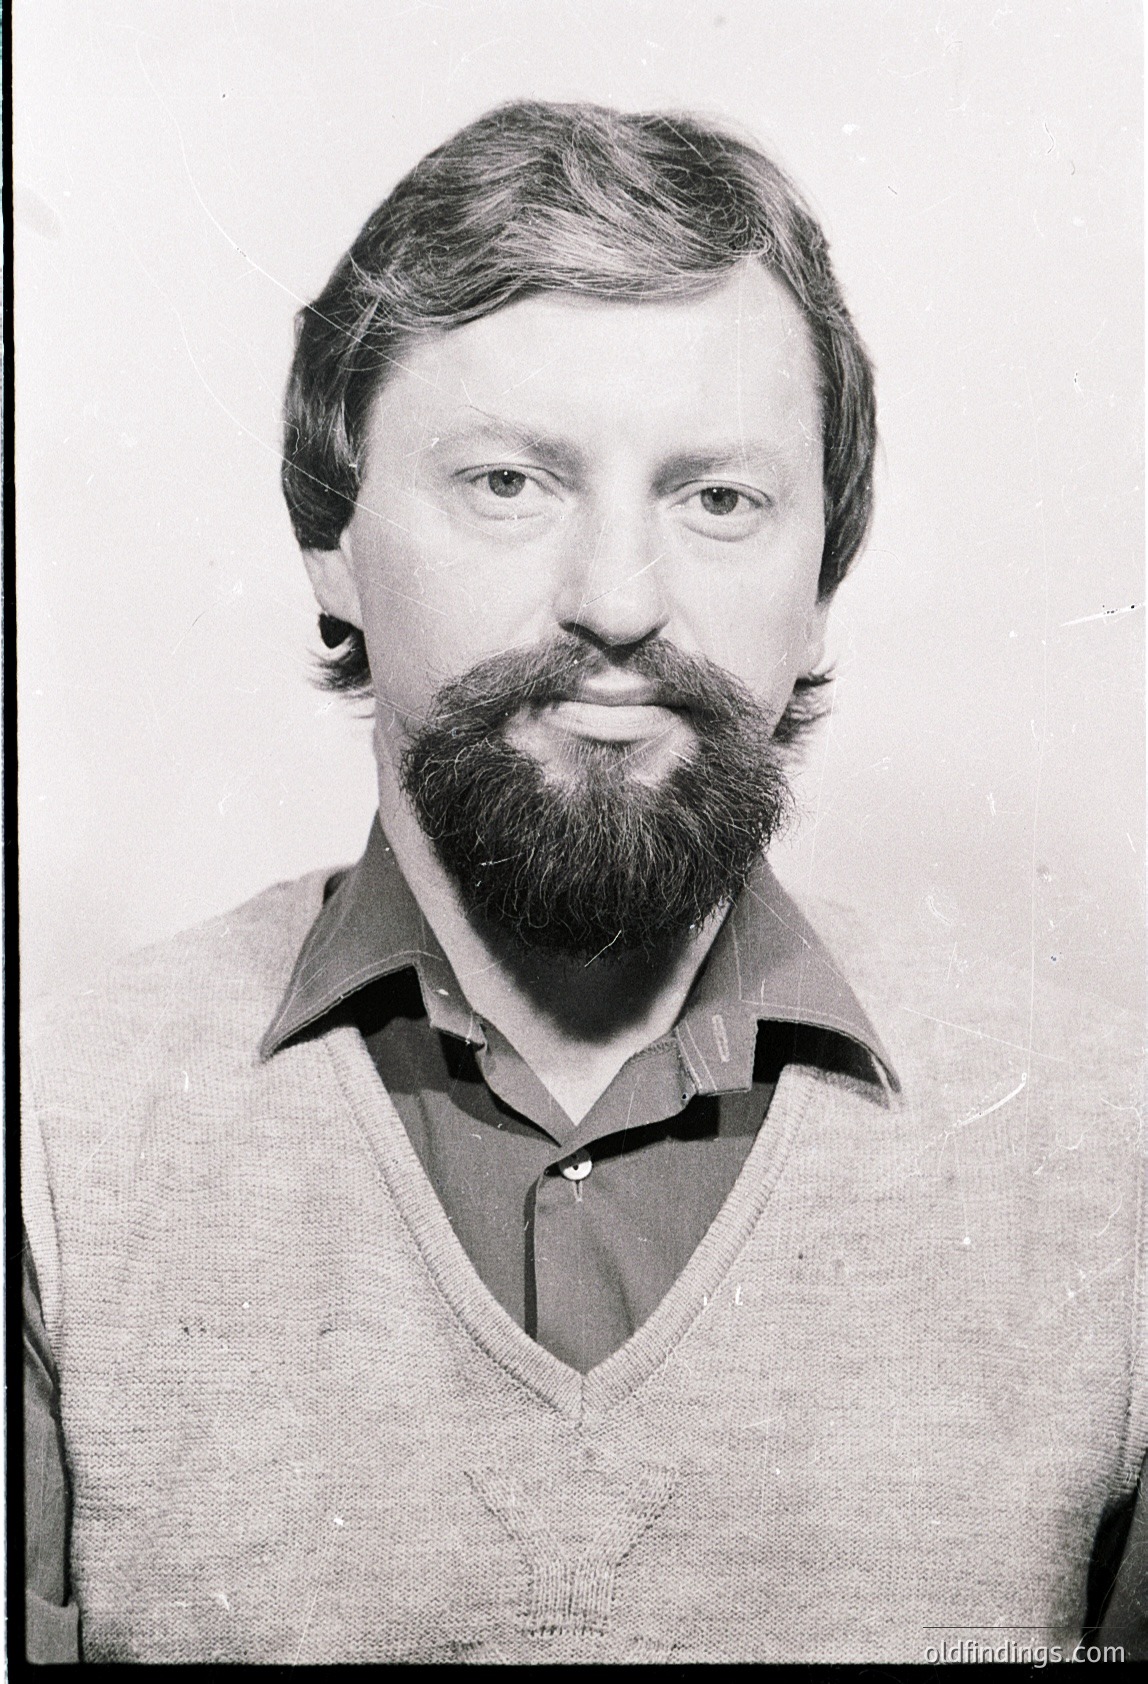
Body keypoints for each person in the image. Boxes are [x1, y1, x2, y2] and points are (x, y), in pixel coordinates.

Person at [22, 99, 1145, 1665]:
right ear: (328, 539)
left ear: (822, 581)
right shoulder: (51, 1150)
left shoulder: (1112, 1164)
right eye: (507, 483)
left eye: (720, 499)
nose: (620, 601)